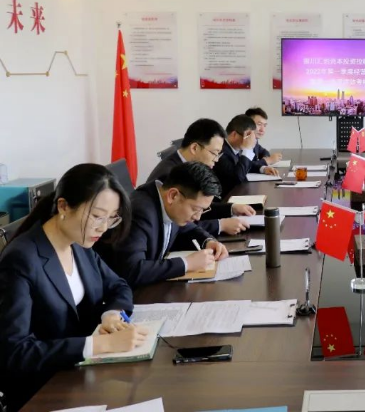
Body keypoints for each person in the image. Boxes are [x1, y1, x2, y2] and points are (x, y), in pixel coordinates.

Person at [0, 164, 148, 411]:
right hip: (43, 390)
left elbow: (118, 285)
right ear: (63, 207)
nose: (103, 227)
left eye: (111, 218)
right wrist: (99, 345)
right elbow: (15, 353)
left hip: (82, 375)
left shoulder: (79, 244)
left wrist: (111, 314)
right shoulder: (22, 259)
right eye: (97, 216)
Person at [99, 162, 229, 288]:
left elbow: (187, 228)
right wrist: (187, 263)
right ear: (173, 195)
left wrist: (208, 241)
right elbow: (132, 270)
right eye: (196, 209)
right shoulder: (140, 213)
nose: (198, 217)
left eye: (202, 210)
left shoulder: (167, 201)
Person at [146, 118, 253, 236]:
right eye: (214, 153)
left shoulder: (183, 165)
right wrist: (220, 225)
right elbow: (178, 224)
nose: (217, 159)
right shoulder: (169, 175)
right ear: (194, 148)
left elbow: (196, 205)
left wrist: (231, 208)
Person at [214, 114, 279, 197]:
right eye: (248, 136)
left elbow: (245, 165)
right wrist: (247, 149)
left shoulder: (234, 148)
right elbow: (237, 179)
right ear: (234, 134)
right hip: (225, 198)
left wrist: (263, 169)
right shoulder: (221, 151)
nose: (251, 140)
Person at [245, 107, 283, 171]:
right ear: (247, 124)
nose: (262, 130)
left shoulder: (254, 140)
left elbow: (263, 151)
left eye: (264, 125)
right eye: (259, 124)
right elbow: (244, 166)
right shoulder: (241, 142)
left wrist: (265, 159)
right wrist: (268, 160)